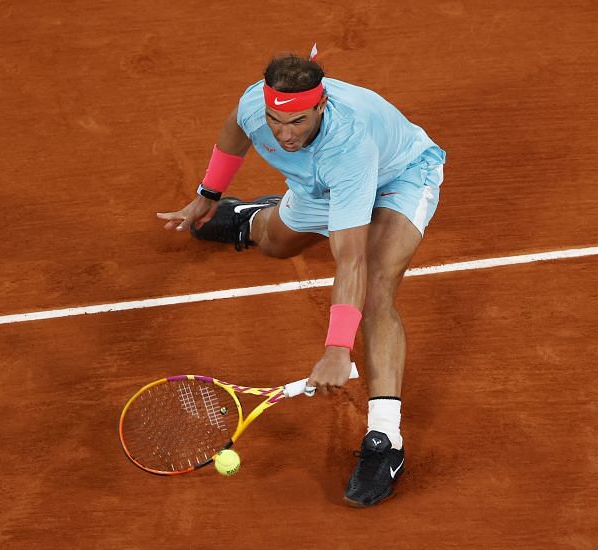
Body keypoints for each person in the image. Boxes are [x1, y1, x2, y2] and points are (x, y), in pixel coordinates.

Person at [157, 50, 446, 507]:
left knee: (374, 288)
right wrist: (208, 193)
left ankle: (385, 441)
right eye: (275, 122)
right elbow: (235, 129)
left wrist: (337, 349)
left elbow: (349, 260)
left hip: (399, 178)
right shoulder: (258, 106)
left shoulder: (348, 144)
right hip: (320, 183)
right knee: (275, 244)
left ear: (321, 106)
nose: (284, 135)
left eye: (297, 123)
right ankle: (249, 218)